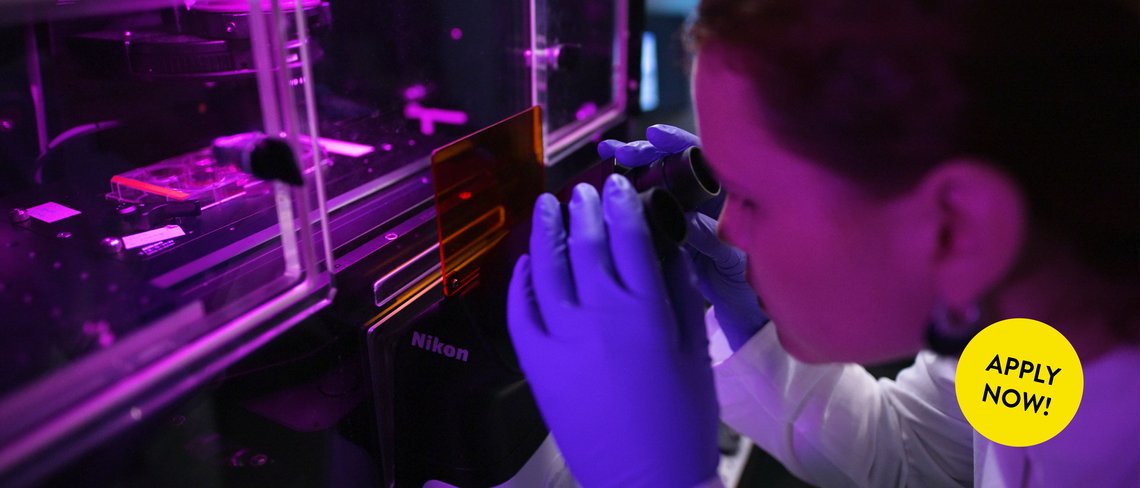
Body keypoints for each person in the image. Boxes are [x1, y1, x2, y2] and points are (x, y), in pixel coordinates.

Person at [506, 0, 1139, 486]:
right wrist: (753, 327)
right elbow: (922, 460)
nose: (728, 229)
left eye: (754, 198)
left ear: (958, 228)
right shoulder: (1035, 317)